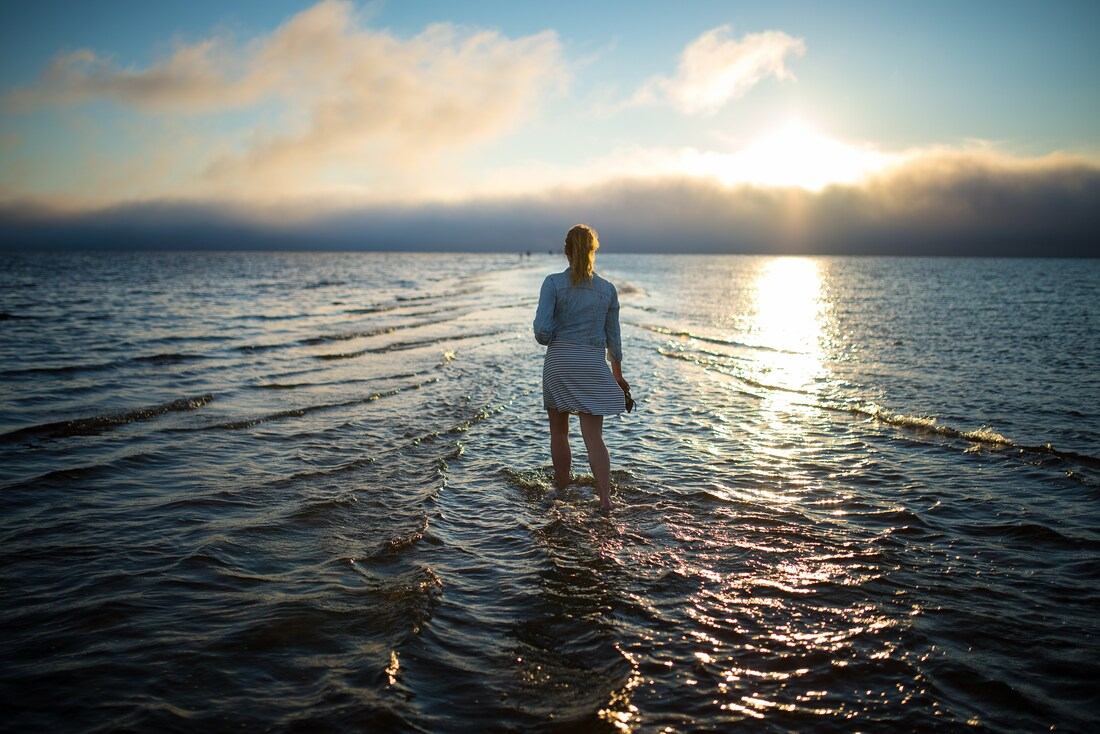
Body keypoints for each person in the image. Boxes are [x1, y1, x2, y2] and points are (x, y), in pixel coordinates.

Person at [533, 224, 629, 511]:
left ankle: (562, 490)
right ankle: (605, 499)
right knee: (594, 436)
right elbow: (614, 338)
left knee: (559, 432)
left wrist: (557, 330)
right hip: (591, 362)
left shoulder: (552, 283)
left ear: (566, 252)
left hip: (560, 361)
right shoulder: (608, 290)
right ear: (593, 251)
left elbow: (542, 333)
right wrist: (618, 376)